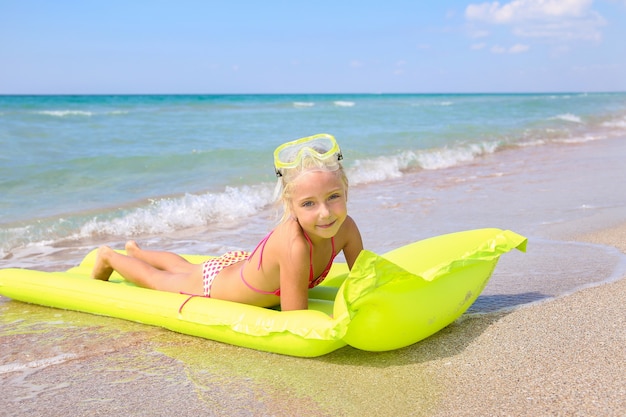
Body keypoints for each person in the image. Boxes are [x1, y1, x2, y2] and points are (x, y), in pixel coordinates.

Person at [92, 133, 363, 311]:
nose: (325, 213)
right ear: (290, 206)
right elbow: (296, 319)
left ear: (347, 191)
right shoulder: (295, 246)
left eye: (333, 197)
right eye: (308, 204)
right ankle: (109, 257)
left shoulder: (347, 228)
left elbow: (365, 280)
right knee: (158, 280)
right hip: (215, 285)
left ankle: (138, 251)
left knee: (185, 267)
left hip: (237, 266)